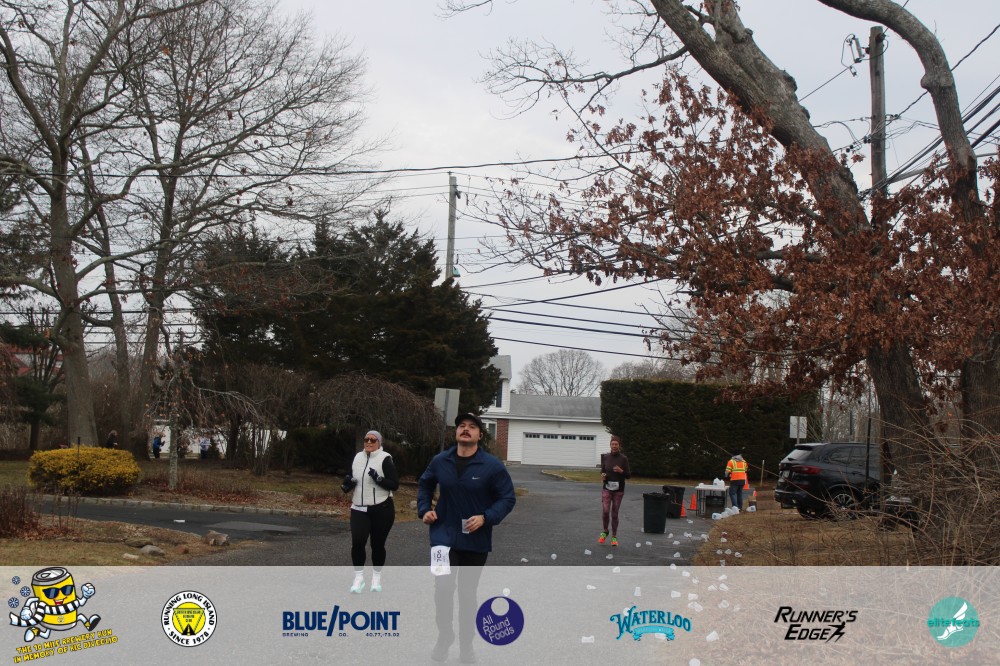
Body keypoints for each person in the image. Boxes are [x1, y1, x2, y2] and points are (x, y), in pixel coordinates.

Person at [418, 412, 515, 664]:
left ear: (480, 435)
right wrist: (424, 509)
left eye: (472, 427)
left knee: (467, 595)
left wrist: (486, 517)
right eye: (461, 425)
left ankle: (466, 645)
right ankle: (445, 636)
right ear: (456, 432)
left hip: (475, 540)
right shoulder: (440, 461)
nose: (466, 429)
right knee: (442, 590)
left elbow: (507, 498)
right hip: (442, 538)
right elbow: (425, 484)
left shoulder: (492, 466)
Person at [341, 430, 399, 594]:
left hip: (382, 508)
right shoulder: (357, 457)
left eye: (373, 440)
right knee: (358, 542)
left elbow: (394, 484)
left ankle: (376, 577)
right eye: (366, 439)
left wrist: (378, 479)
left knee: (377, 545)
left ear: (379, 443)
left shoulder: (385, 458)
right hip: (359, 508)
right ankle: (358, 578)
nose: (368, 442)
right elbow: (350, 476)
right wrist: (348, 482)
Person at [598, 435, 631, 547]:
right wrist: (603, 476)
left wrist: (621, 471)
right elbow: (602, 471)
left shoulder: (623, 459)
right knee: (605, 511)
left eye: (616, 444)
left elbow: (628, 475)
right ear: (610, 445)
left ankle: (614, 536)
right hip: (607, 488)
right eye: (613, 444)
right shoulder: (606, 457)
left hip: (618, 490)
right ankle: (605, 531)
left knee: (614, 513)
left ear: (619, 446)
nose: (614, 446)